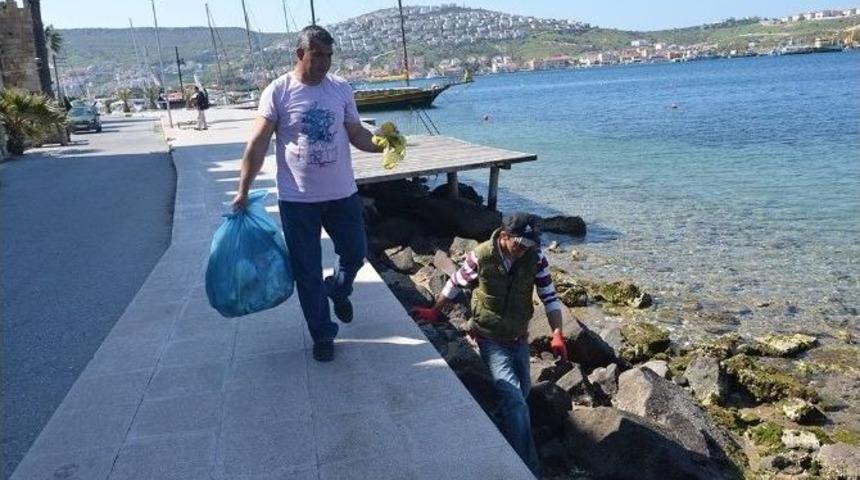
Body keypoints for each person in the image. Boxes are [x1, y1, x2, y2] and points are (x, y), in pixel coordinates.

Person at [231, 25, 383, 362]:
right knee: (307, 271)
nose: (325, 62)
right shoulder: (278, 92)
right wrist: (243, 189)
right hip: (298, 200)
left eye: (329, 55)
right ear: (300, 54)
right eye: (318, 55)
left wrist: (383, 145)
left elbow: (356, 132)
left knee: (355, 253)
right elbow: (257, 144)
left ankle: (339, 289)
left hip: (342, 194)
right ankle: (322, 334)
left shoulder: (341, 89)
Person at [412, 212, 568, 475]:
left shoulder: (536, 258)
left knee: (523, 393)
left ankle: (494, 425)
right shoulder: (481, 255)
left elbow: (550, 298)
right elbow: (456, 283)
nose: (524, 249)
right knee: (516, 401)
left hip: (519, 338)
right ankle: (526, 469)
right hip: (489, 338)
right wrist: (435, 311)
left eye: (530, 244)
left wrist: (557, 334)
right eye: (520, 243)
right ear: (505, 236)